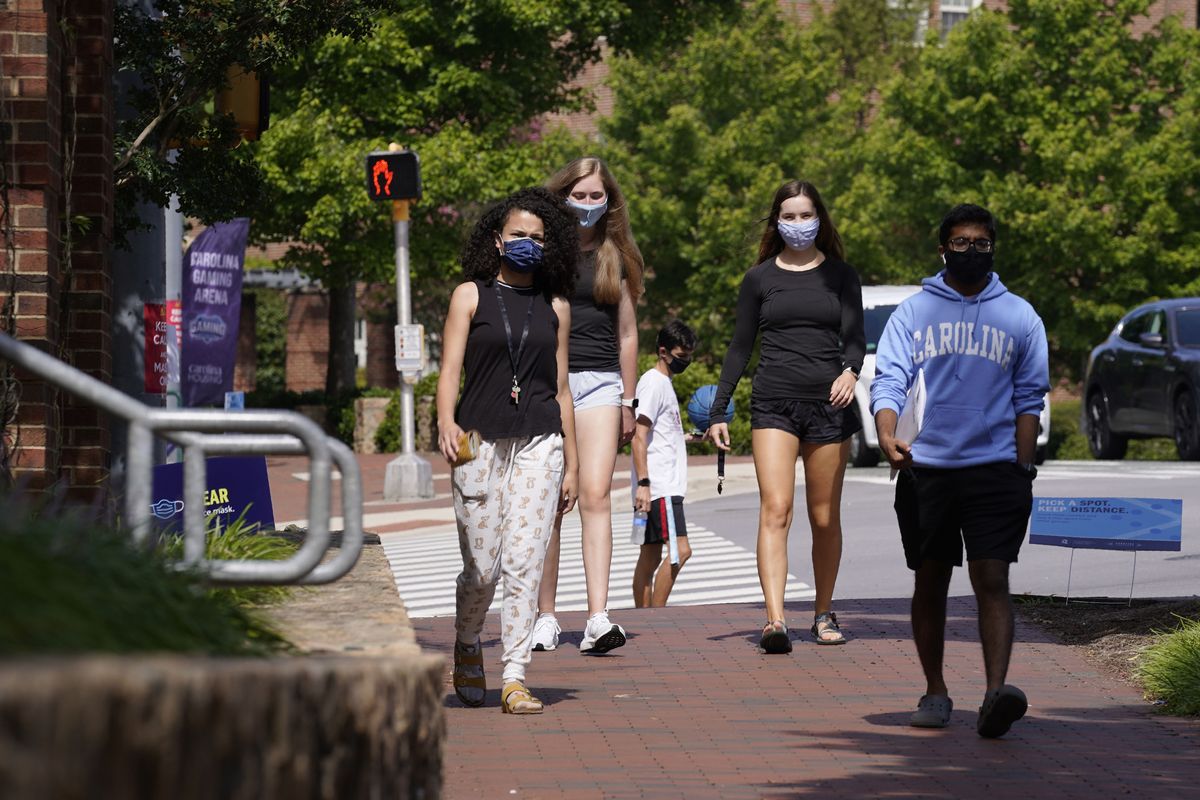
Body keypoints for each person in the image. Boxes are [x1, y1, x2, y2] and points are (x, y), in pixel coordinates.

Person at [870, 203, 1049, 738]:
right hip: (927, 469)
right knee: (931, 581)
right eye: (961, 242)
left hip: (995, 470)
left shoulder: (1019, 315)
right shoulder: (914, 312)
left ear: (993, 247)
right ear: (943, 248)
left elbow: (1030, 398)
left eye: (981, 243)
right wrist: (886, 435)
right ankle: (936, 690)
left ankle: (995, 695)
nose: (972, 251)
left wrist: (1023, 465)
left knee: (992, 578)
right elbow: (890, 379)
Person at [436, 187, 580, 714]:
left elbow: (561, 388)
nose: (527, 244)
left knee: (524, 562)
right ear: (497, 240)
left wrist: (572, 463)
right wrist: (445, 422)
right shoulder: (469, 296)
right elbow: (450, 370)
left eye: (537, 238)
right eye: (518, 235)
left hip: (541, 440)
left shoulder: (556, 306)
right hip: (476, 441)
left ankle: (515, 676)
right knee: (482, 568)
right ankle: (467, 639)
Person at [707, 180, 865, 653]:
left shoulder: (841, 275)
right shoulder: (759, 279)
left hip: (829, 405)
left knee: (824, 517)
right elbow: (740, 346)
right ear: (776, 221)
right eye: (789, 216)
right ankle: (774, 620)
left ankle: (823, 612)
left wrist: (851, 371)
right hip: (773, 402)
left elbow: (855, 338)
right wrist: (719, 409)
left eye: (806, 215)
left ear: (820, 219)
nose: (798, 224)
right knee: (776, 508)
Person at [532, 157, 644, 655]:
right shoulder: (541, 253)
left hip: (600, 384)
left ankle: (598, 617)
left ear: (609, 200)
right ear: (562, 197)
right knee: (552, 500)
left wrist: (628, 400)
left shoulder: (615, 256)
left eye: (596, 195)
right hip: (547, 384)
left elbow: (627, 334)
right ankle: (545, 617)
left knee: (596, 495)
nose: (587, 203)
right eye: (579, 195)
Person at [631, 320, 698, 608]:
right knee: (680, 551)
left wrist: (691, 437)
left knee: (650, 556)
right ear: (663, 352)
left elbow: (659, 435)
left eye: (689, 356)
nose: (686, 361)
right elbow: (638, 436)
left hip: (657, 487)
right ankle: (658, 617)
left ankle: (642, 618)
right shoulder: (654, 383)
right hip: (661, 488)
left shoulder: (663, 383)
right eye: (681, 356)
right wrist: (644, 484)